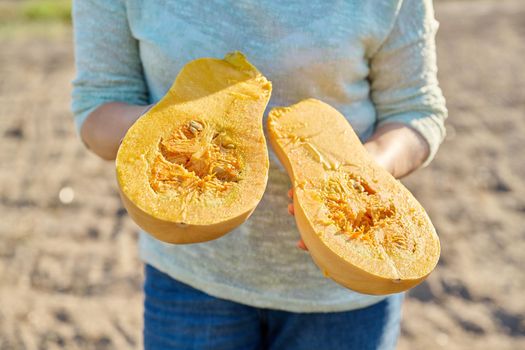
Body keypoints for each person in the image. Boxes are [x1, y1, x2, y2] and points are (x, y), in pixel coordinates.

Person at [72, 0, 447, 349]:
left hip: (346, 297)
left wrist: (362, 174)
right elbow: (96, 111)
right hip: (191, 282)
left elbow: (415, 111)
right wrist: (170, 124)